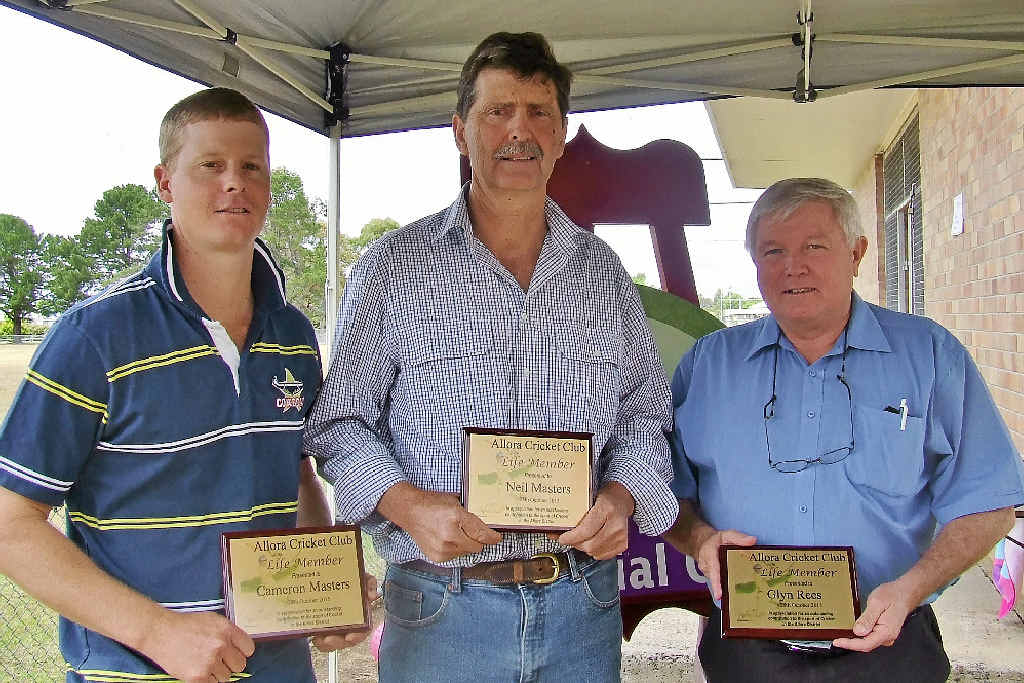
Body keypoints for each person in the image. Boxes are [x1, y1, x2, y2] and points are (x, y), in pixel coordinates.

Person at [304, 32, 678, 682]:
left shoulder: (604, 276)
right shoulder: (393, 269)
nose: (519, 131)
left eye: (538, 113)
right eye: (497, 112)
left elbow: (645, 418)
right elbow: (339, 425)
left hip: (579, 606)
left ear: (562, 135)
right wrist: (409, 505)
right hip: (440, 607)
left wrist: (620, 499)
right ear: (459, 131)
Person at [0, 88, 371, 683]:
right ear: (165, 182)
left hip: (278, 670)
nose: (235, 183)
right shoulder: (93, 338)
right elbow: (10, 523)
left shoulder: (294, 336)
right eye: (210, 166)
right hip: (138, 673)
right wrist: (157, 632)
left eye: (252, 167)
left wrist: (328, 590)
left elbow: (296, 475)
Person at [664, 177, 1024, 682]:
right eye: (773, 250)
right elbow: (663, 492)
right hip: (747, 652)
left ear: (857, 253)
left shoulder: (932, 357)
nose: (794, 266)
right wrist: (700, 540)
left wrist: (912, 588)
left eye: (814, 246)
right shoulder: (707, 366)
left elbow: (988, 504)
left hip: (891, 644)